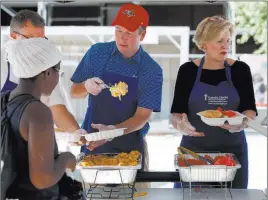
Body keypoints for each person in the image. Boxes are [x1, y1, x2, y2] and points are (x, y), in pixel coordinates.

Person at [70, 3, 163, 177]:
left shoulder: (151, 70)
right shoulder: (97, 53)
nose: (122, 38)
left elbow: (142, 117)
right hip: (92, 143)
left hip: (130, 149)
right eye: (118, 30)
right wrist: (86, 87)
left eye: (129, 32)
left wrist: (111, 131)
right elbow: (74, 92)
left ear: (142, 35)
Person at [171, 16, 257, 189]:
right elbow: (176, 114)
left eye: (228, 40)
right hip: (194, 152)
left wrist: (242, 123)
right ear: (204, 44)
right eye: (219, 41)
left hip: (233, 154)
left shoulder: (240, 70)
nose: (225, 45)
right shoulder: (187, 71)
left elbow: (250, 111)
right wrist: (181, 126)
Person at [2, 38, 80, 199]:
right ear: (47, 72)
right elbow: (42, 180)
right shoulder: (37, 112)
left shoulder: (3, 100)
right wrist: (66, 158)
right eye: (59, 71)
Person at [1, 9, 84, 136]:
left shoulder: (45, 68)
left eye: (41, 40)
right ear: (13, 36)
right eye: (32, 40)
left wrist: (77, 133)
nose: (38, 47)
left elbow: (57, 108)